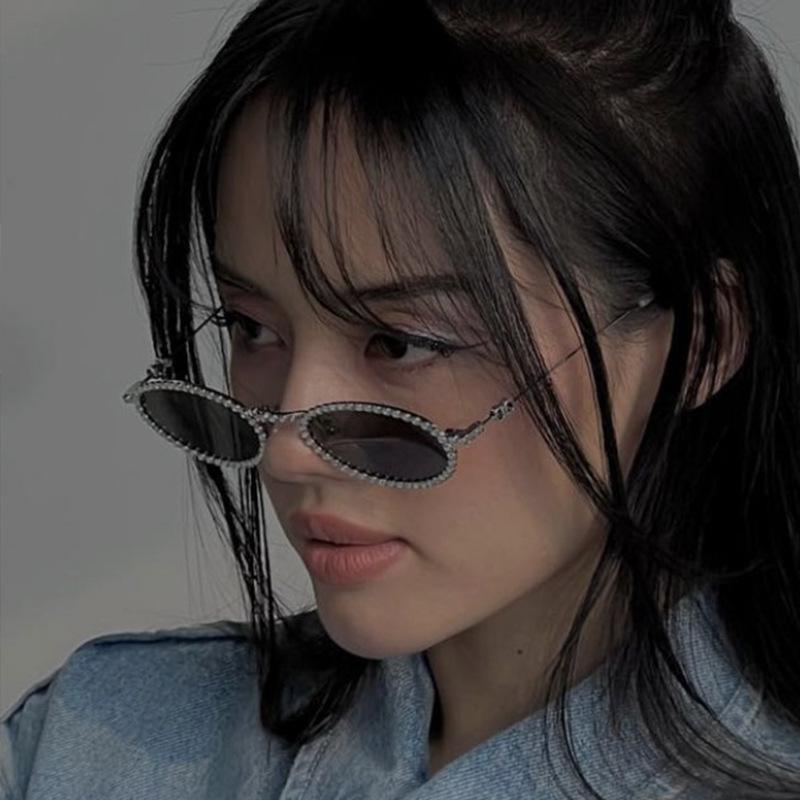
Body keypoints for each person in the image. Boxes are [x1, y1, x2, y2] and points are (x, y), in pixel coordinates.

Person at [3, 0, 800, 797]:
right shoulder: (93, 745)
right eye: (252, 328)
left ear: (700, 342)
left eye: (401, 343)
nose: (285, 449)